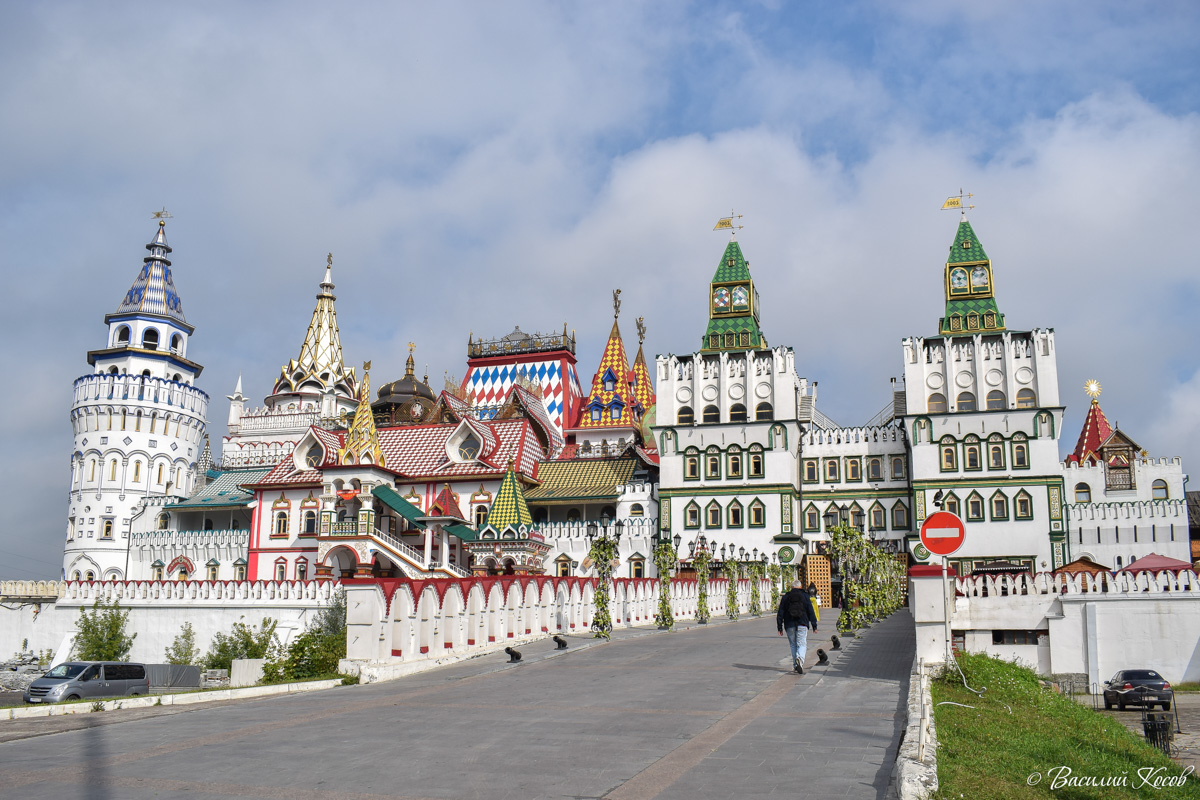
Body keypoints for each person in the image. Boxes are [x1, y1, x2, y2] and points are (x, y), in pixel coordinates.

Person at [777, 580, 818, 673]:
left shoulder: (786, 597)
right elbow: (810, 611)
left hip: (789, 624)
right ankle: (800, 659)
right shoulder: (805, 596)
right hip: (802, 623)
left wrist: (779, 627)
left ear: (791, 587)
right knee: (802, 643)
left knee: (793, 644)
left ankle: (796, 665)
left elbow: (780, 612)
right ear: (800, 587)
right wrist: (814, 625)